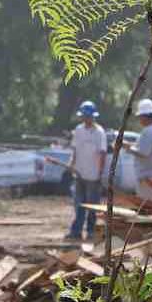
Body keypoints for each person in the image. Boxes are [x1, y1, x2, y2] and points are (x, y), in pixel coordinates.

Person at [65, 100, 106, 241]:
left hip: (93, 176)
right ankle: (76, 232)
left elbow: (102, 153)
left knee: (92, 206)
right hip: (79, 173)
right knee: (79, 205)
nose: (85, 119)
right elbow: (75, 150)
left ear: (92, 117)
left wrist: (100, 172)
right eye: (83, 116)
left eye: (87, 116)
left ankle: (90, 232)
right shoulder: (78, 130)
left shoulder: (99, 132)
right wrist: (71, 163)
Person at [126, 97, 152, 207]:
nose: (140, 119)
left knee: (146, 207)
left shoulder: (148, 131)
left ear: (145, 116)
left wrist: (128, 149)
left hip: (147, 176)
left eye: (140, 117)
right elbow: (144, 148)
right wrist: (130, 146)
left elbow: (144, 153)